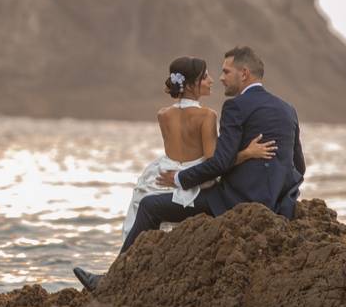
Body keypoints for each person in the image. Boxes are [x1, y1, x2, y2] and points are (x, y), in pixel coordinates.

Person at [73, 46, 305, 292]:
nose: (221, 77)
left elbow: (220, 162)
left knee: (151, 206)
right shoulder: (288, 109)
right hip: (280, 205)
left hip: (235, 201)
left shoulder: (235, 106)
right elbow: (298, 165)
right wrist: (282, 195)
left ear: (244, 73)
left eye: (226, 71)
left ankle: (109, 282)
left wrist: (181, 178)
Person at [118, 56, 275, 246]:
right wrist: (247, 153)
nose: (211, 81)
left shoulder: (163, 114)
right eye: (205, 77)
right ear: (192, 85)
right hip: (195, 182)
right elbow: (214, 161)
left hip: (160, 177)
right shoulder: (207, 116)